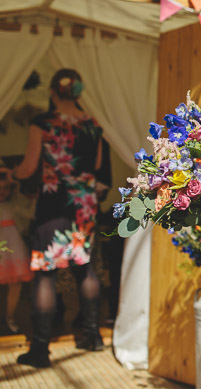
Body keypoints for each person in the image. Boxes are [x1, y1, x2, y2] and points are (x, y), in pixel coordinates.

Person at [13, 69, 105, 368]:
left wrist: (14, 175)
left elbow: (28, 167)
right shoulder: (93, 124)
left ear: (53, 91)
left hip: (53, 204)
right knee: (85, 267)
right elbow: (98, 164)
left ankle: (40, 349)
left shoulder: (43, 123)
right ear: (78, 92)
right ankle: (92, 336)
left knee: (46, 272)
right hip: (84, 204)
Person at [0, 164, 33, 334]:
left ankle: (9, 316)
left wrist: (14, 182)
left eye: (5, 188)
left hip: (13, 247)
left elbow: (30, 213)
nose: (2, 192)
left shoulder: (16, 203)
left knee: (15, 285)